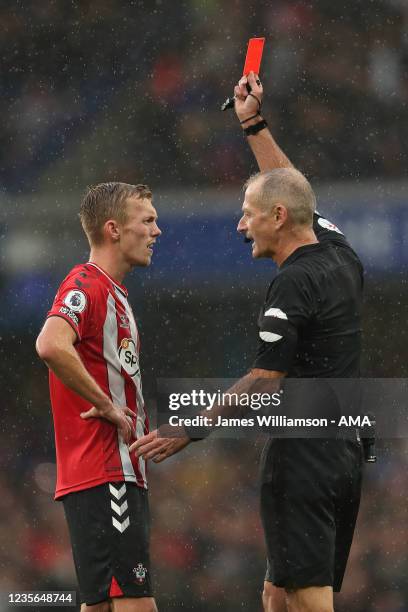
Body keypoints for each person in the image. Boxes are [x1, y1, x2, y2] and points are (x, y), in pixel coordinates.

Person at [132, 73, 364, 612]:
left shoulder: (293, 281)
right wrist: (252, 123)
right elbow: (289, 185)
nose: (241, 226)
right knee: (277, 592)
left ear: (278, 219)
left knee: (307, 600)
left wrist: (191, 427)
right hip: (344, 450)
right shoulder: (341, 251)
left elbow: (266, 379)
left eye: (249, 215)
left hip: (305, 455)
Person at [36, 182, 163, 612]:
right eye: (147, 220)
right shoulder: (86, 284)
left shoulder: (115, 293)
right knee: (134, 603)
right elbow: (51, 344)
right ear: (113, 229)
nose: (156, 231)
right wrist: (107, 405)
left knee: (102, 605)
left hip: (109, 474)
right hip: (106, 471)